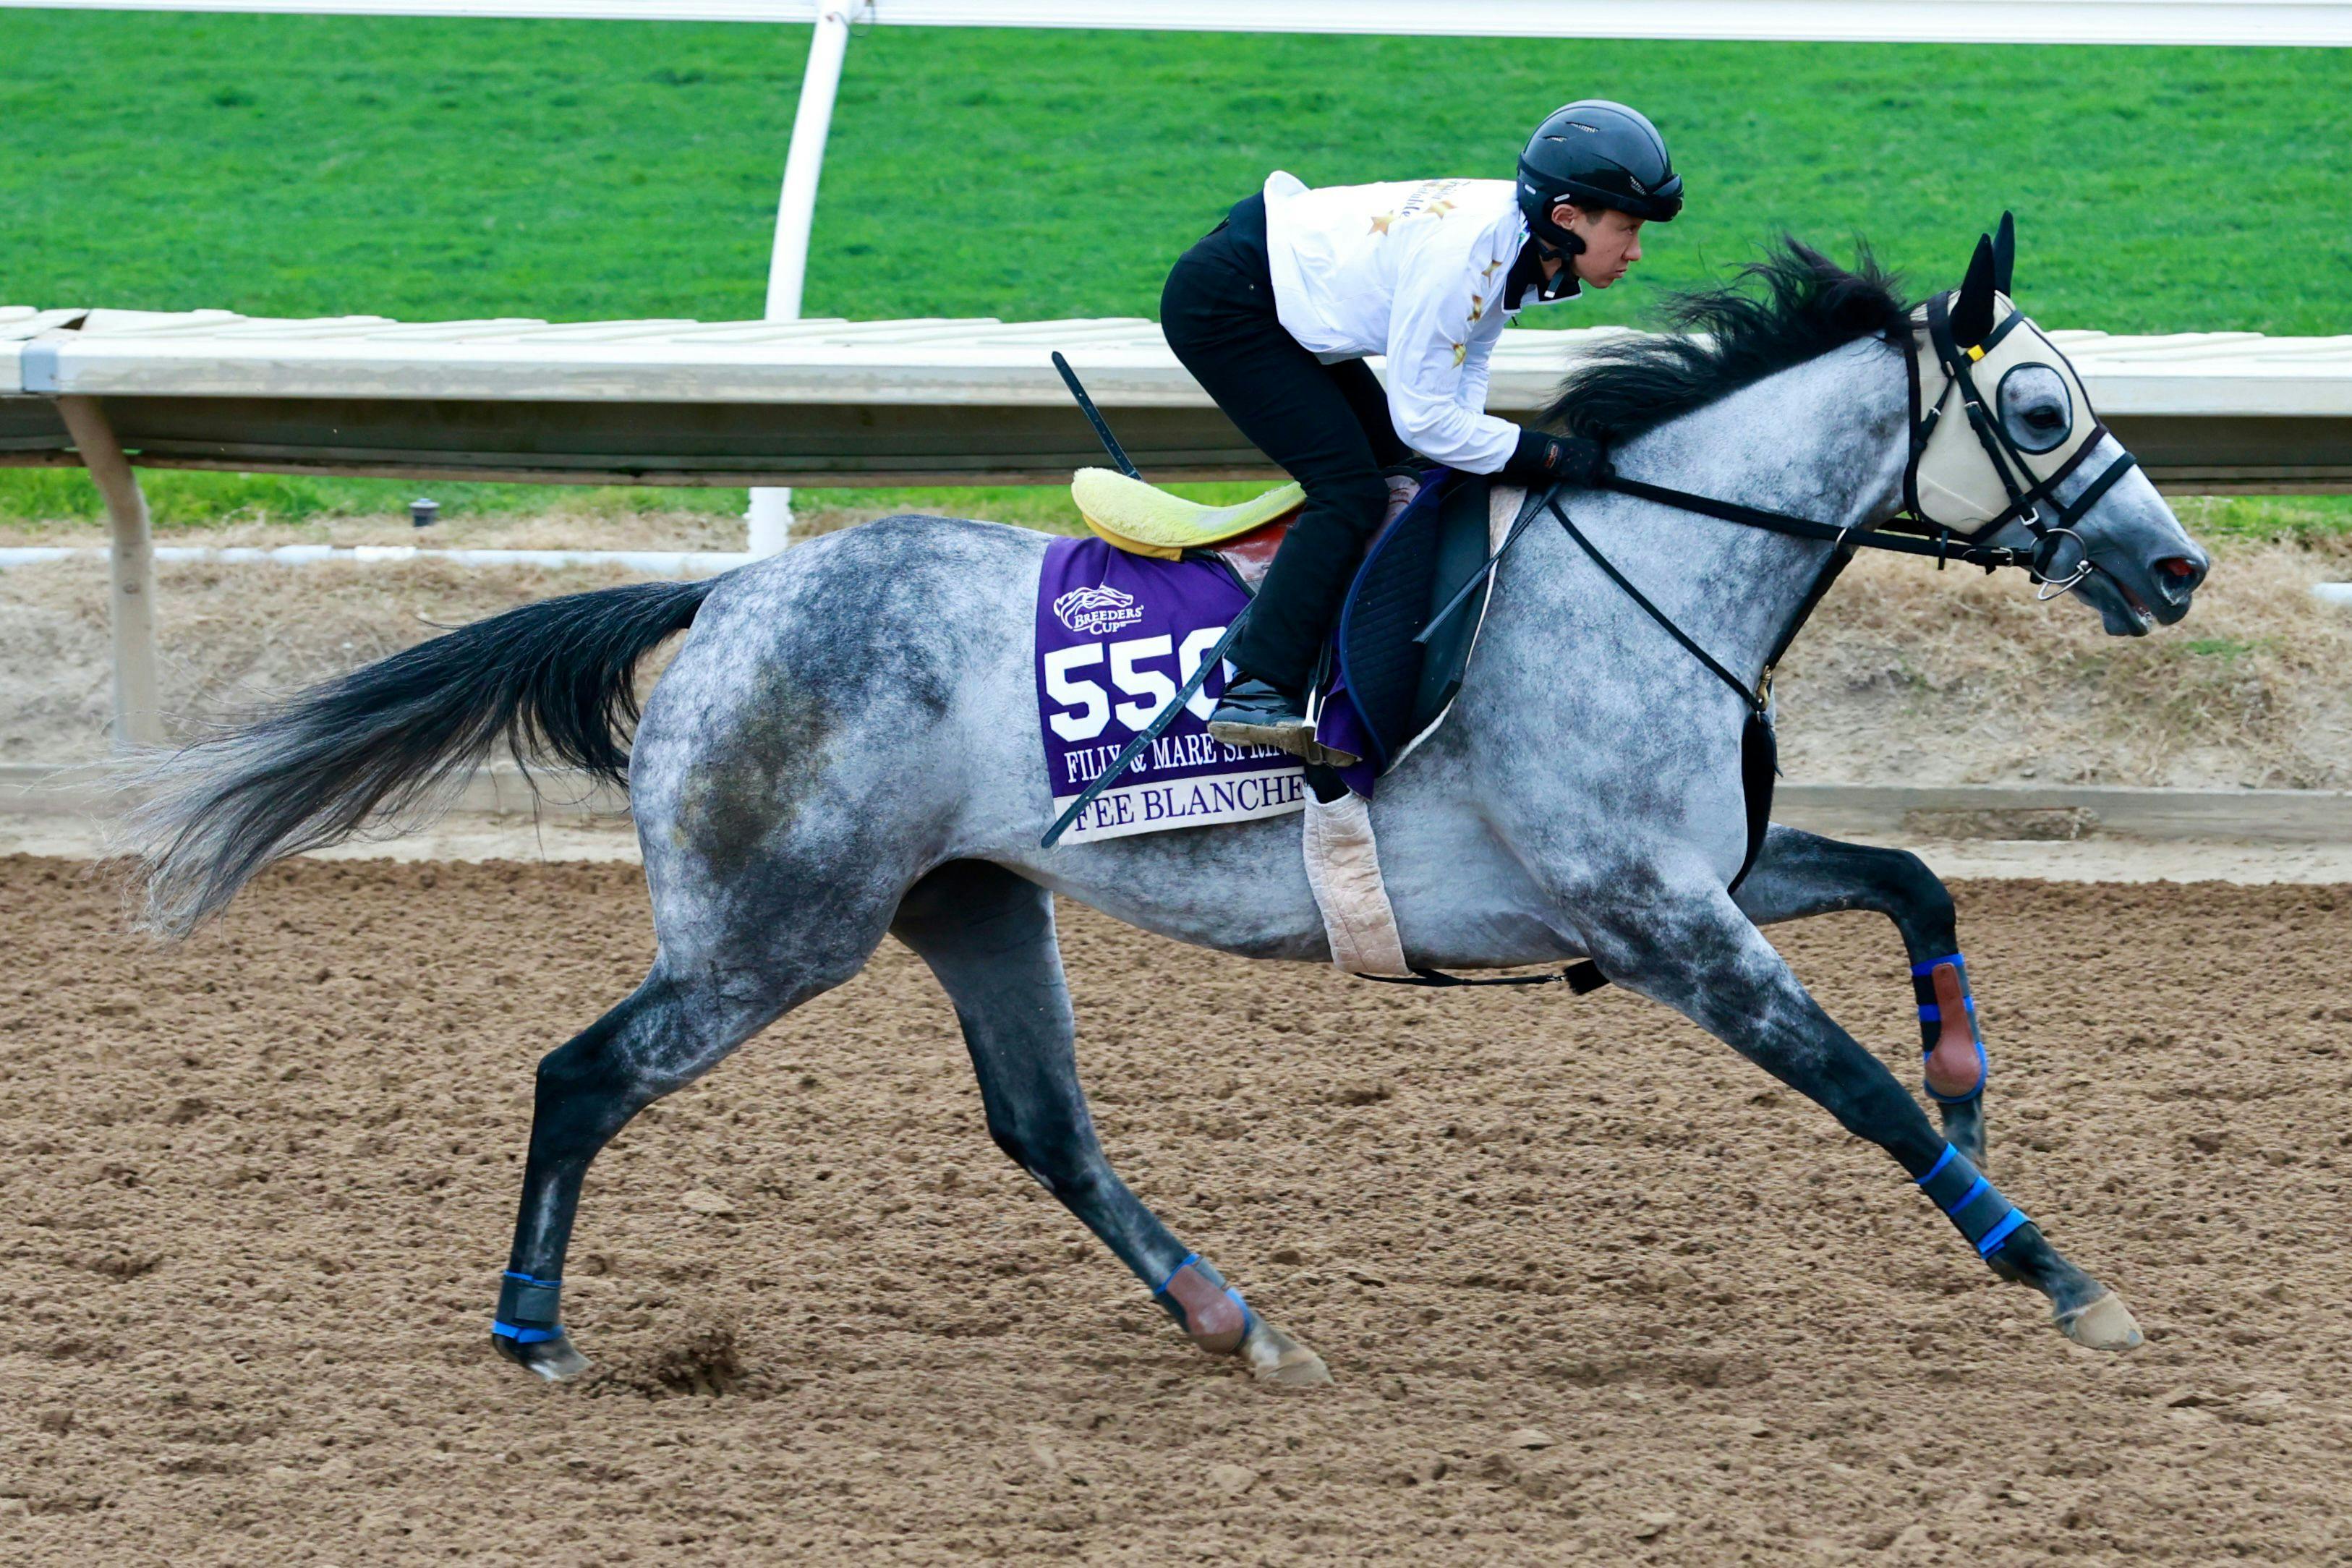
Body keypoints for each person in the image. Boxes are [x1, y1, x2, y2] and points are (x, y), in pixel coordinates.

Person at [1160, 101, 1683, 763]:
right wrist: (1548, 454)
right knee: (1349, 491)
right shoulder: (1466, 255)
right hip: (1228, 305)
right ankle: (1259, 686)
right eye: (1628, 229)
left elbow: (1468, 361)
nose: (1635, 252)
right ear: (1565, 218)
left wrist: (1490, 451)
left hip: (1272, 288)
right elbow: (1427, 419)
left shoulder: (1518, 241)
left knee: (1405, 472)